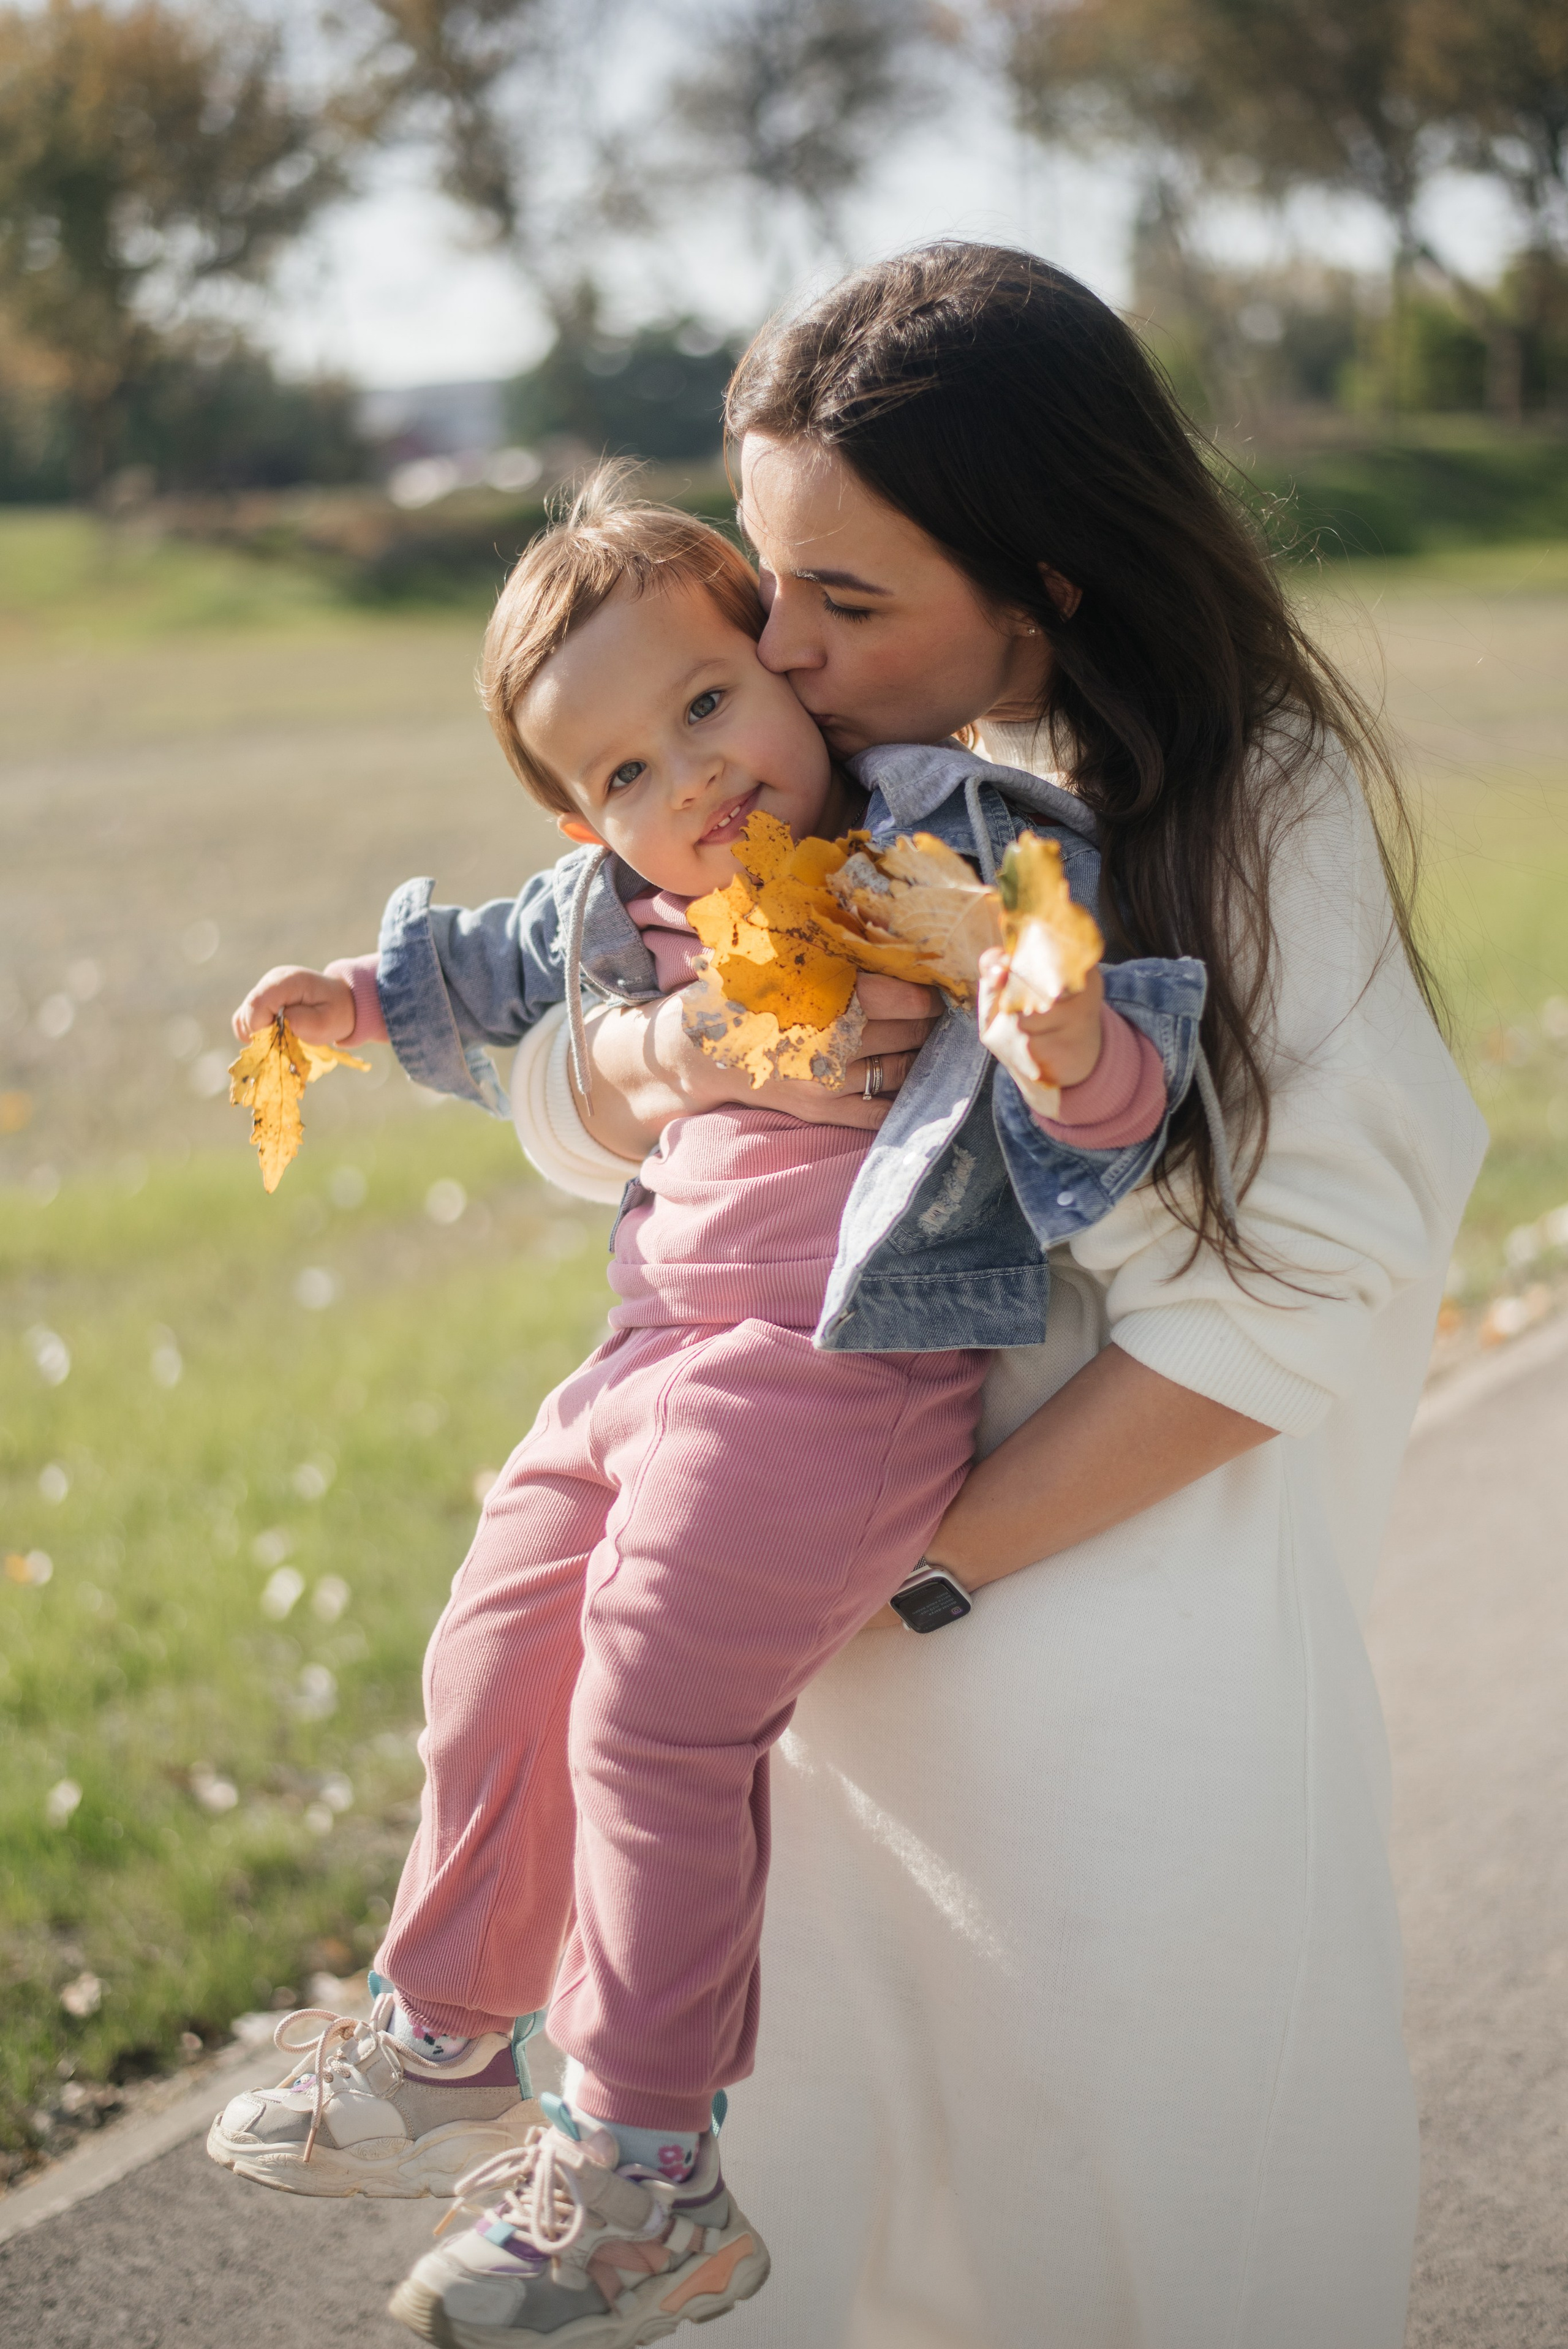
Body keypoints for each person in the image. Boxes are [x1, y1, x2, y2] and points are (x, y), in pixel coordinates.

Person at [489, 244, 1488, 2349]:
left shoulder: (1247, 806)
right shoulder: (818, 771)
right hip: (820, 1627)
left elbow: (1307, 1287)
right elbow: (572, 1064)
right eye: (771, 576)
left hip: (1106, 1641)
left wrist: (925, 1568)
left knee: (1122, 2219)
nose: (779, 647)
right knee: (829, 2189)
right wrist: (666, 1065)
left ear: (1046, 590)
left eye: (849, 602)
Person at [210, 467, 1199, 2343]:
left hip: (837, 1354)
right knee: (497, 1629)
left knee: (656, 1691)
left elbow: (1116, 1075)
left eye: (703, 705)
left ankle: (649, 2166)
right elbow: (471, 970)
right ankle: (445, 2032)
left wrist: (1064, 1032)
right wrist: (342, 1005)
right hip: (644, 1348)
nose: (690, 785)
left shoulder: (943, 841)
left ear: (774, 656)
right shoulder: (615, 911)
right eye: (623, 778)